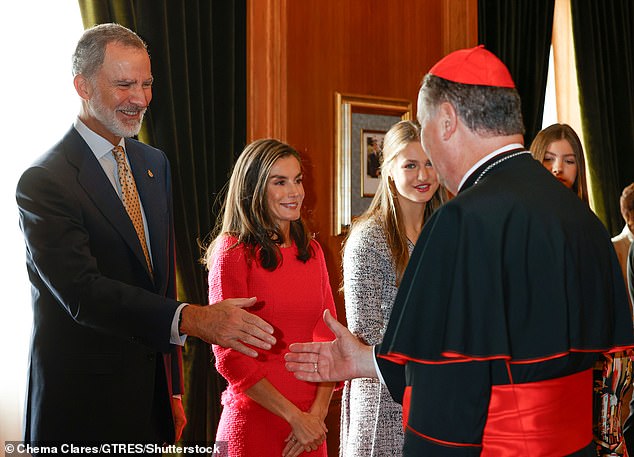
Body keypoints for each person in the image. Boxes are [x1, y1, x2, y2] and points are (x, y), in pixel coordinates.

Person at [285, 45, 634, 456]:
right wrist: (365, 361)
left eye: (424, 127)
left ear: (447, 120)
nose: (427, 153)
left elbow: (448, 392)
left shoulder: (460, 223)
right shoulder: (582, 219)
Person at [16, 23, 275, 446]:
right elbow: (83, 292)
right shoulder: (45, 180)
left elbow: (158, 282)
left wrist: (171, 387)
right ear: (82, 85)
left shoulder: (154, 163)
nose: (139, 99)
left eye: (146, 83)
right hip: (79, 410)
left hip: (149, 403)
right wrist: (193, 319)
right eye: (124, 84)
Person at [204, 139, 337, 457]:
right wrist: (295, 417)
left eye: (298, 179)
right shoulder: (233, 251)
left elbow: (332, 342)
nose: (295, 192)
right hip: (254, 425)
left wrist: (315, 418)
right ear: (254, 189)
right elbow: (230, 355)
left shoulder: (313, 252)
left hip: (310, 432)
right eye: (280, 182)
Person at [340, 120, 444, 457]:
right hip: (382, 409)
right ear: (388, 172)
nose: (423, 175)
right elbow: (366, 338)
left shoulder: (447, 235)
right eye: (411, 165)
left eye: (429, 163)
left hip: (436, 401)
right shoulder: (369, 239)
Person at [530, 123, 589, 204]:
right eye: (548, 159)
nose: (558, 169)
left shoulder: (585, 215)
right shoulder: (518, 211)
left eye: (569, 161)